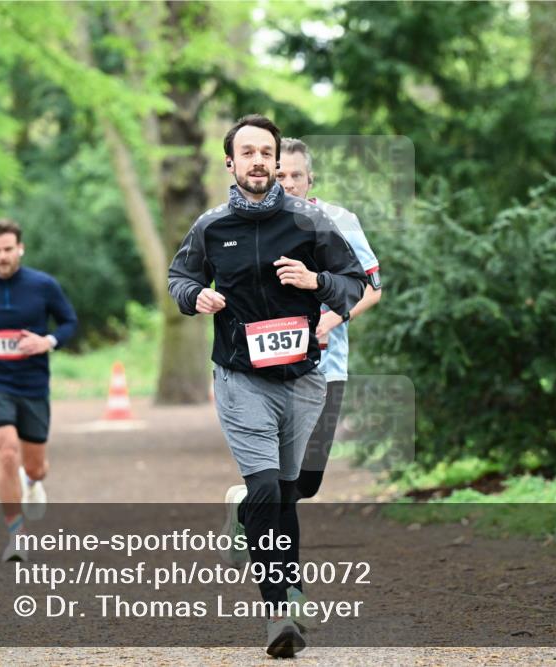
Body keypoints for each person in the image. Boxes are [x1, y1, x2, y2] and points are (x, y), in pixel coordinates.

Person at [168, 114, 367, 657]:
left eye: (266, 152)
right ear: (230, 162)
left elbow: (354, 283)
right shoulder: (211, 226)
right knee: (263, 490)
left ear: (276, 162)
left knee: (285, 495)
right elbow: (179, 277)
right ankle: (278, 612)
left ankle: (286, 583)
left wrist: (316, 282)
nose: (257, 160)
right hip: (239, 378)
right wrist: (196, 297)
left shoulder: (311, 222)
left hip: (303, 379)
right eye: (247, 152)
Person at [271, 137, 382, 619]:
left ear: (310, 180)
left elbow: (372, 288)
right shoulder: (255, 226)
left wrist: (331, 321)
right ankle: (288, 590)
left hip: (328, 367)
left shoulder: (338, 221)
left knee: (307, 483)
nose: (288, 184)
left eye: (295, 175)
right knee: (279, 482)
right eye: (279, 176)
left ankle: (244, 507)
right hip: (272, 372)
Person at [0, 219, 78, 563]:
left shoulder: (43, 286)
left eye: (8, 249)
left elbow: (69, 322)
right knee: (6, 452)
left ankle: (33, 481)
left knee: (35, 467)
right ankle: (16, 536)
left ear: (20, 249)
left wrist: (48, 341)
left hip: (33, 385)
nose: (3, 256)